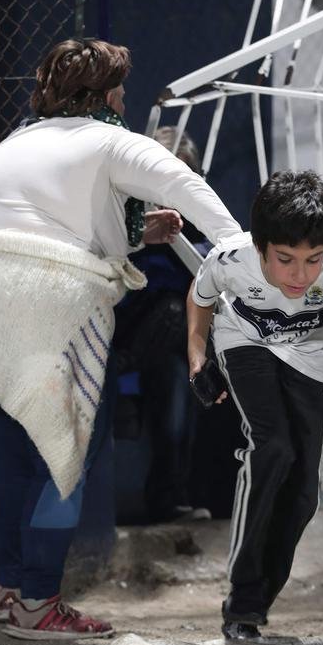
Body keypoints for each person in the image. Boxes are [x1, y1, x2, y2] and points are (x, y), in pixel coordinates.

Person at [0, 37, 242, 640]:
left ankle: (14, 591)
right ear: (111, 93)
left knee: (8, 463)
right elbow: (186, 186)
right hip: (38, 312)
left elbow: (50, 226)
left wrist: (139, 233)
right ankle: (41, 604)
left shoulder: (17, 141)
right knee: (64, 463)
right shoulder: (110, 138)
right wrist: (245, 258)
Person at [187, 170, 323, 640]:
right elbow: (200, 299)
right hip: (244, 340)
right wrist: (196, 356)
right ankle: (244, 599)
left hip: (310, 354)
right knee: (273, 448)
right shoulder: (230, 259)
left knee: (304, 496)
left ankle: (254, 603)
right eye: (285, 260)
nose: (300, 275)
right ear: (260, 247)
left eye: (313, 260)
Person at [113, 127, 211, 523]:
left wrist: (183, 242)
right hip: (124, 329)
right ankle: (120, 368)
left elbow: (218, 258)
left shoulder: (198, 217)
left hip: (172, 342)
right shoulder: (125, 211)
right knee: (172, 312)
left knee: (181, 376)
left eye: (179, 179)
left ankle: (169, 499)